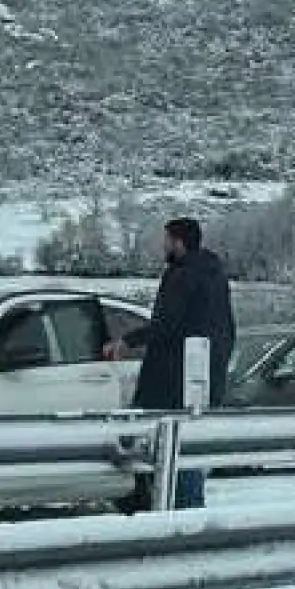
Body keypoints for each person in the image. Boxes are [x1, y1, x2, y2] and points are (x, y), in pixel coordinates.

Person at [104, 217, 235, 510]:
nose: (162, 246)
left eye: (165, 240)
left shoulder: (181, 275)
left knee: (162, 438)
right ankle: (184, 508)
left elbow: (166, 324)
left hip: (171, 377)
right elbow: (228, 329)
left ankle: (171, 509)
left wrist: (126, 342)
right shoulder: (215, 275)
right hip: (203, 377)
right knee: (186, 443)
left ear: (178, 242)